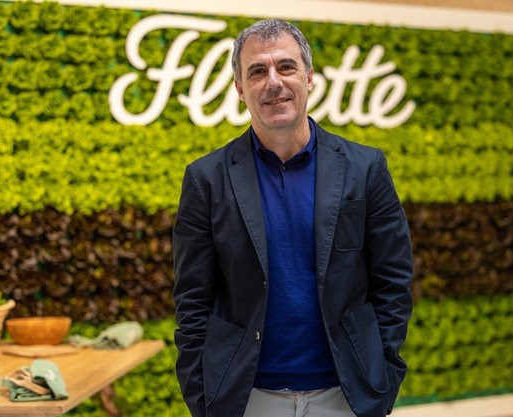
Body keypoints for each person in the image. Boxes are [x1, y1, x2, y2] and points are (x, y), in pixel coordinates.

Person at [173, 18, 413, 417]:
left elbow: (394, 282)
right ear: (239, 88)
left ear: (309, 76)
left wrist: (382, 377)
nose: (274, 82)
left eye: (286, 67)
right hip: (247, 399)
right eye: (257, 71)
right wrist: (204, 396)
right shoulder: (206, 179)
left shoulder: (365, 168)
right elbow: (192, 300)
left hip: (345, 396)